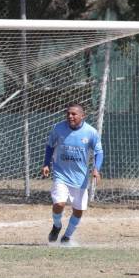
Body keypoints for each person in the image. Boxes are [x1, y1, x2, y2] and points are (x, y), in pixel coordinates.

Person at [42, 102, 103, 245]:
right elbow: (50, 146)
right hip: (61, 174)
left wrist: (96, 169)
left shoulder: (91, 132)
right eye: (68, 113)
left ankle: (67, 236)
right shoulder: (58, 128)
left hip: (80, 178)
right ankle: (57, 225)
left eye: (74, 114)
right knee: (59, 203)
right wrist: (46, 164)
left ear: (83, 116)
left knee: (78, 210)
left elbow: (99, 152)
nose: (70, 116)